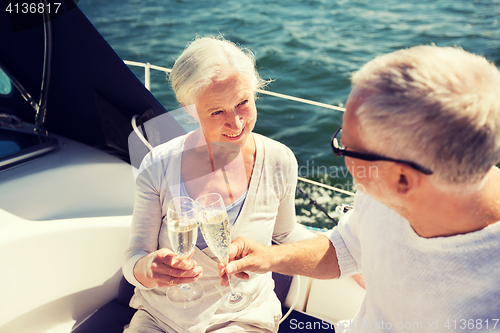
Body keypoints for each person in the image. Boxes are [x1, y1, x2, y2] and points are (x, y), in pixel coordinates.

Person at [222, 45, 500, 332]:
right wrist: (269, 257)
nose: (339, 150)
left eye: (346, 146)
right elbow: (348, 247)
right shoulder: (388, 187)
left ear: (402, 180)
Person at [122, 36, 315, 333]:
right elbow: (135, 254)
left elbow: (286, 233)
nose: (236, 123)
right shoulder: (158, 164)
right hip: (160, 317)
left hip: (244, 316)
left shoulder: (279, 160)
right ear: (189, 109)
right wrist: (148, 269)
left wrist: (349, 254)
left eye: (243, 103)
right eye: (217, 112)